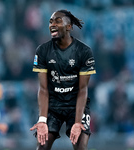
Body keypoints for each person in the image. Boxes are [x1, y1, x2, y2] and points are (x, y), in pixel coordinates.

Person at [30, 9, 96, 150]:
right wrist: (42, 120)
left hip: (76, 105)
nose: (52, 24)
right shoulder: (42, 51)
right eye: (50, 22)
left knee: (80, 147)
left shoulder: (84, 51)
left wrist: (78, 122)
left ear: (69, 26)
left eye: (58, 21)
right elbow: (43, 89)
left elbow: (83, 89)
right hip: (53, 106)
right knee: (41, 147)